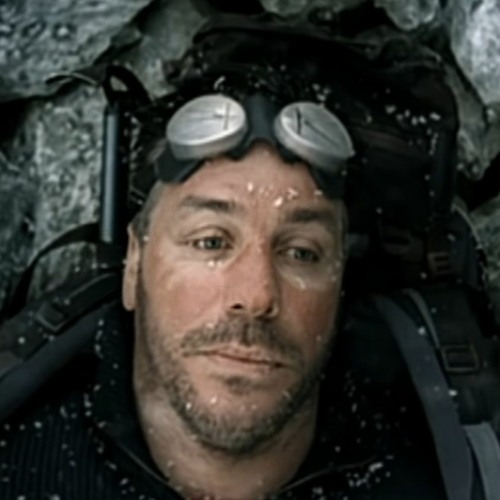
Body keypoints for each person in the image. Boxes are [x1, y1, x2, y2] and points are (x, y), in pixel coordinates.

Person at [0, 12, 479, 500]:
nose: (255, 296)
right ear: (133, 265)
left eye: (301, 252)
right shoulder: (18, 467)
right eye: (211, 242)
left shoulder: (441, 476)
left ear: (340, 286)